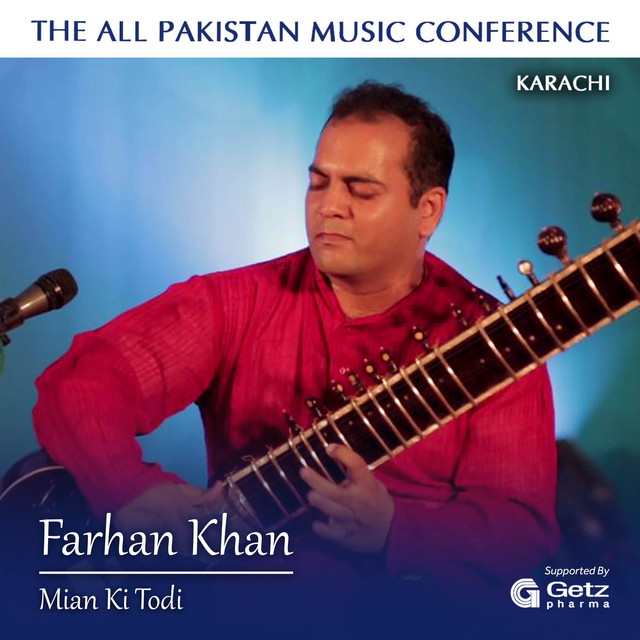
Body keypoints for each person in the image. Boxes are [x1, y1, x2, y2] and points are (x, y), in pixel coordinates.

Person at [32, 82, 558, 589]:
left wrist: (396, 529)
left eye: (361, 190)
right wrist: (128, 489)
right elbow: (82, 384)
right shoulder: (238, 303)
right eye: (319, 182)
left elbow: (522, 536)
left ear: (428, 211)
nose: (329, 206)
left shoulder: (494, 342)